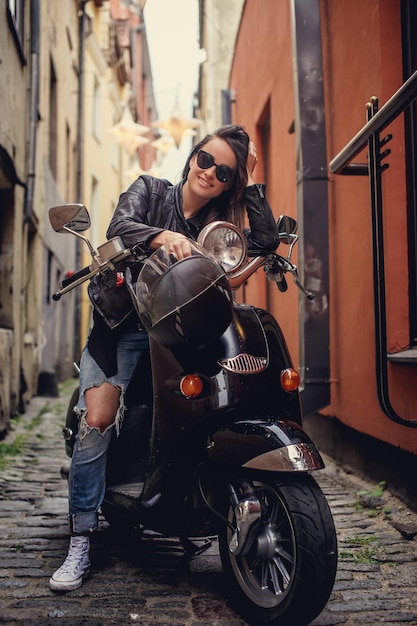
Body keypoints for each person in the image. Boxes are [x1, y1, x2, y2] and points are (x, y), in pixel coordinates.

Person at [49, 124, 279, 591]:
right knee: (98, 417)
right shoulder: (150, 190)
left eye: (226, 171)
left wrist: (253, 178)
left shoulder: (219, 230)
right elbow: (120, 226)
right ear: (192, 157)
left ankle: (193, 494)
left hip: (188, 334)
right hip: (127, 327)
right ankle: (81, 541)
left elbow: (265, 242)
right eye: (205, 159)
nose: (210, 172)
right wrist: (163, 237)